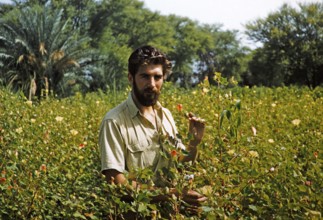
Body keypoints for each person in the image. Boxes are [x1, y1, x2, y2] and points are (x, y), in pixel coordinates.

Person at [99, 45, 207, 216]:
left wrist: (194, 143)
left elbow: (179, 164)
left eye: (157, 77)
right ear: (130, 78)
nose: (152, 84)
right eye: (144, 76)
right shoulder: (114, 121)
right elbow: (116, 183)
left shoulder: (166, 116)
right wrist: (173, 194)